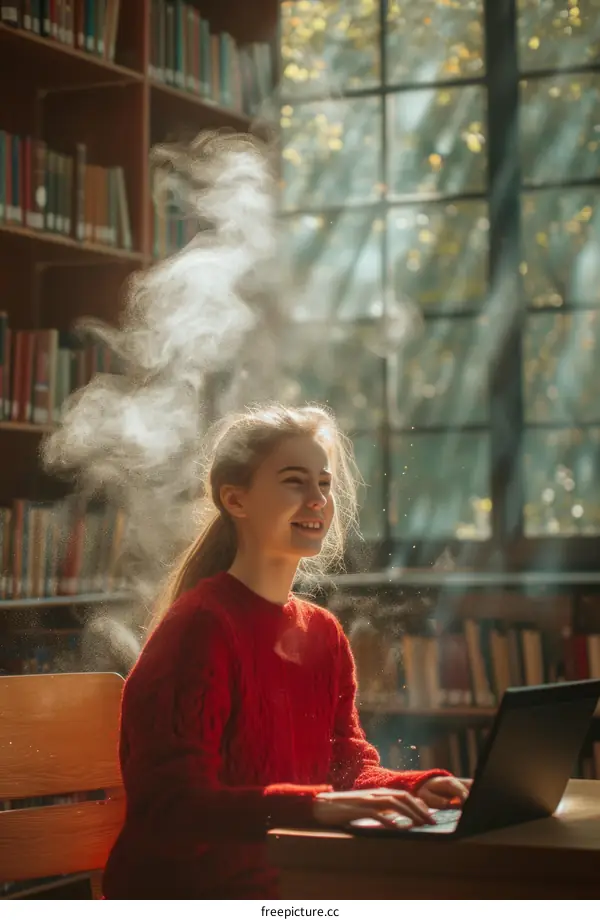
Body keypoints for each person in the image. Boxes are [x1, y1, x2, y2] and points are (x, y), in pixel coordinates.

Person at [102, 405, 468, 899]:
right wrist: (314, 808)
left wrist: (414, 787)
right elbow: (172, 806)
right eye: (295, 482)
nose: (317, 499)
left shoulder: (324, 633)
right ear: (236, 499)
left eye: (324, 483)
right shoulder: (198, 629)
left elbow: (345, 764)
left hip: (295, 883)